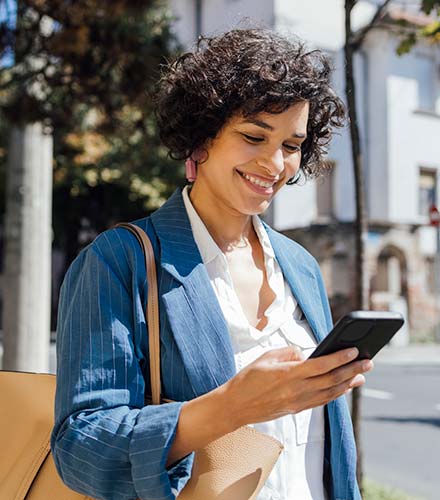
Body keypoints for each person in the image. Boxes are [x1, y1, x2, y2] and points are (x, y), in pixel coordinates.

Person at [51, 28, 373, 500]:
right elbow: (80, 448)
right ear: (201, 139)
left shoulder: (300, 265)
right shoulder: (119, 261)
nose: (275, 162)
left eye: (291, 145)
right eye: (253, 136)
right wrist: (230, 407)